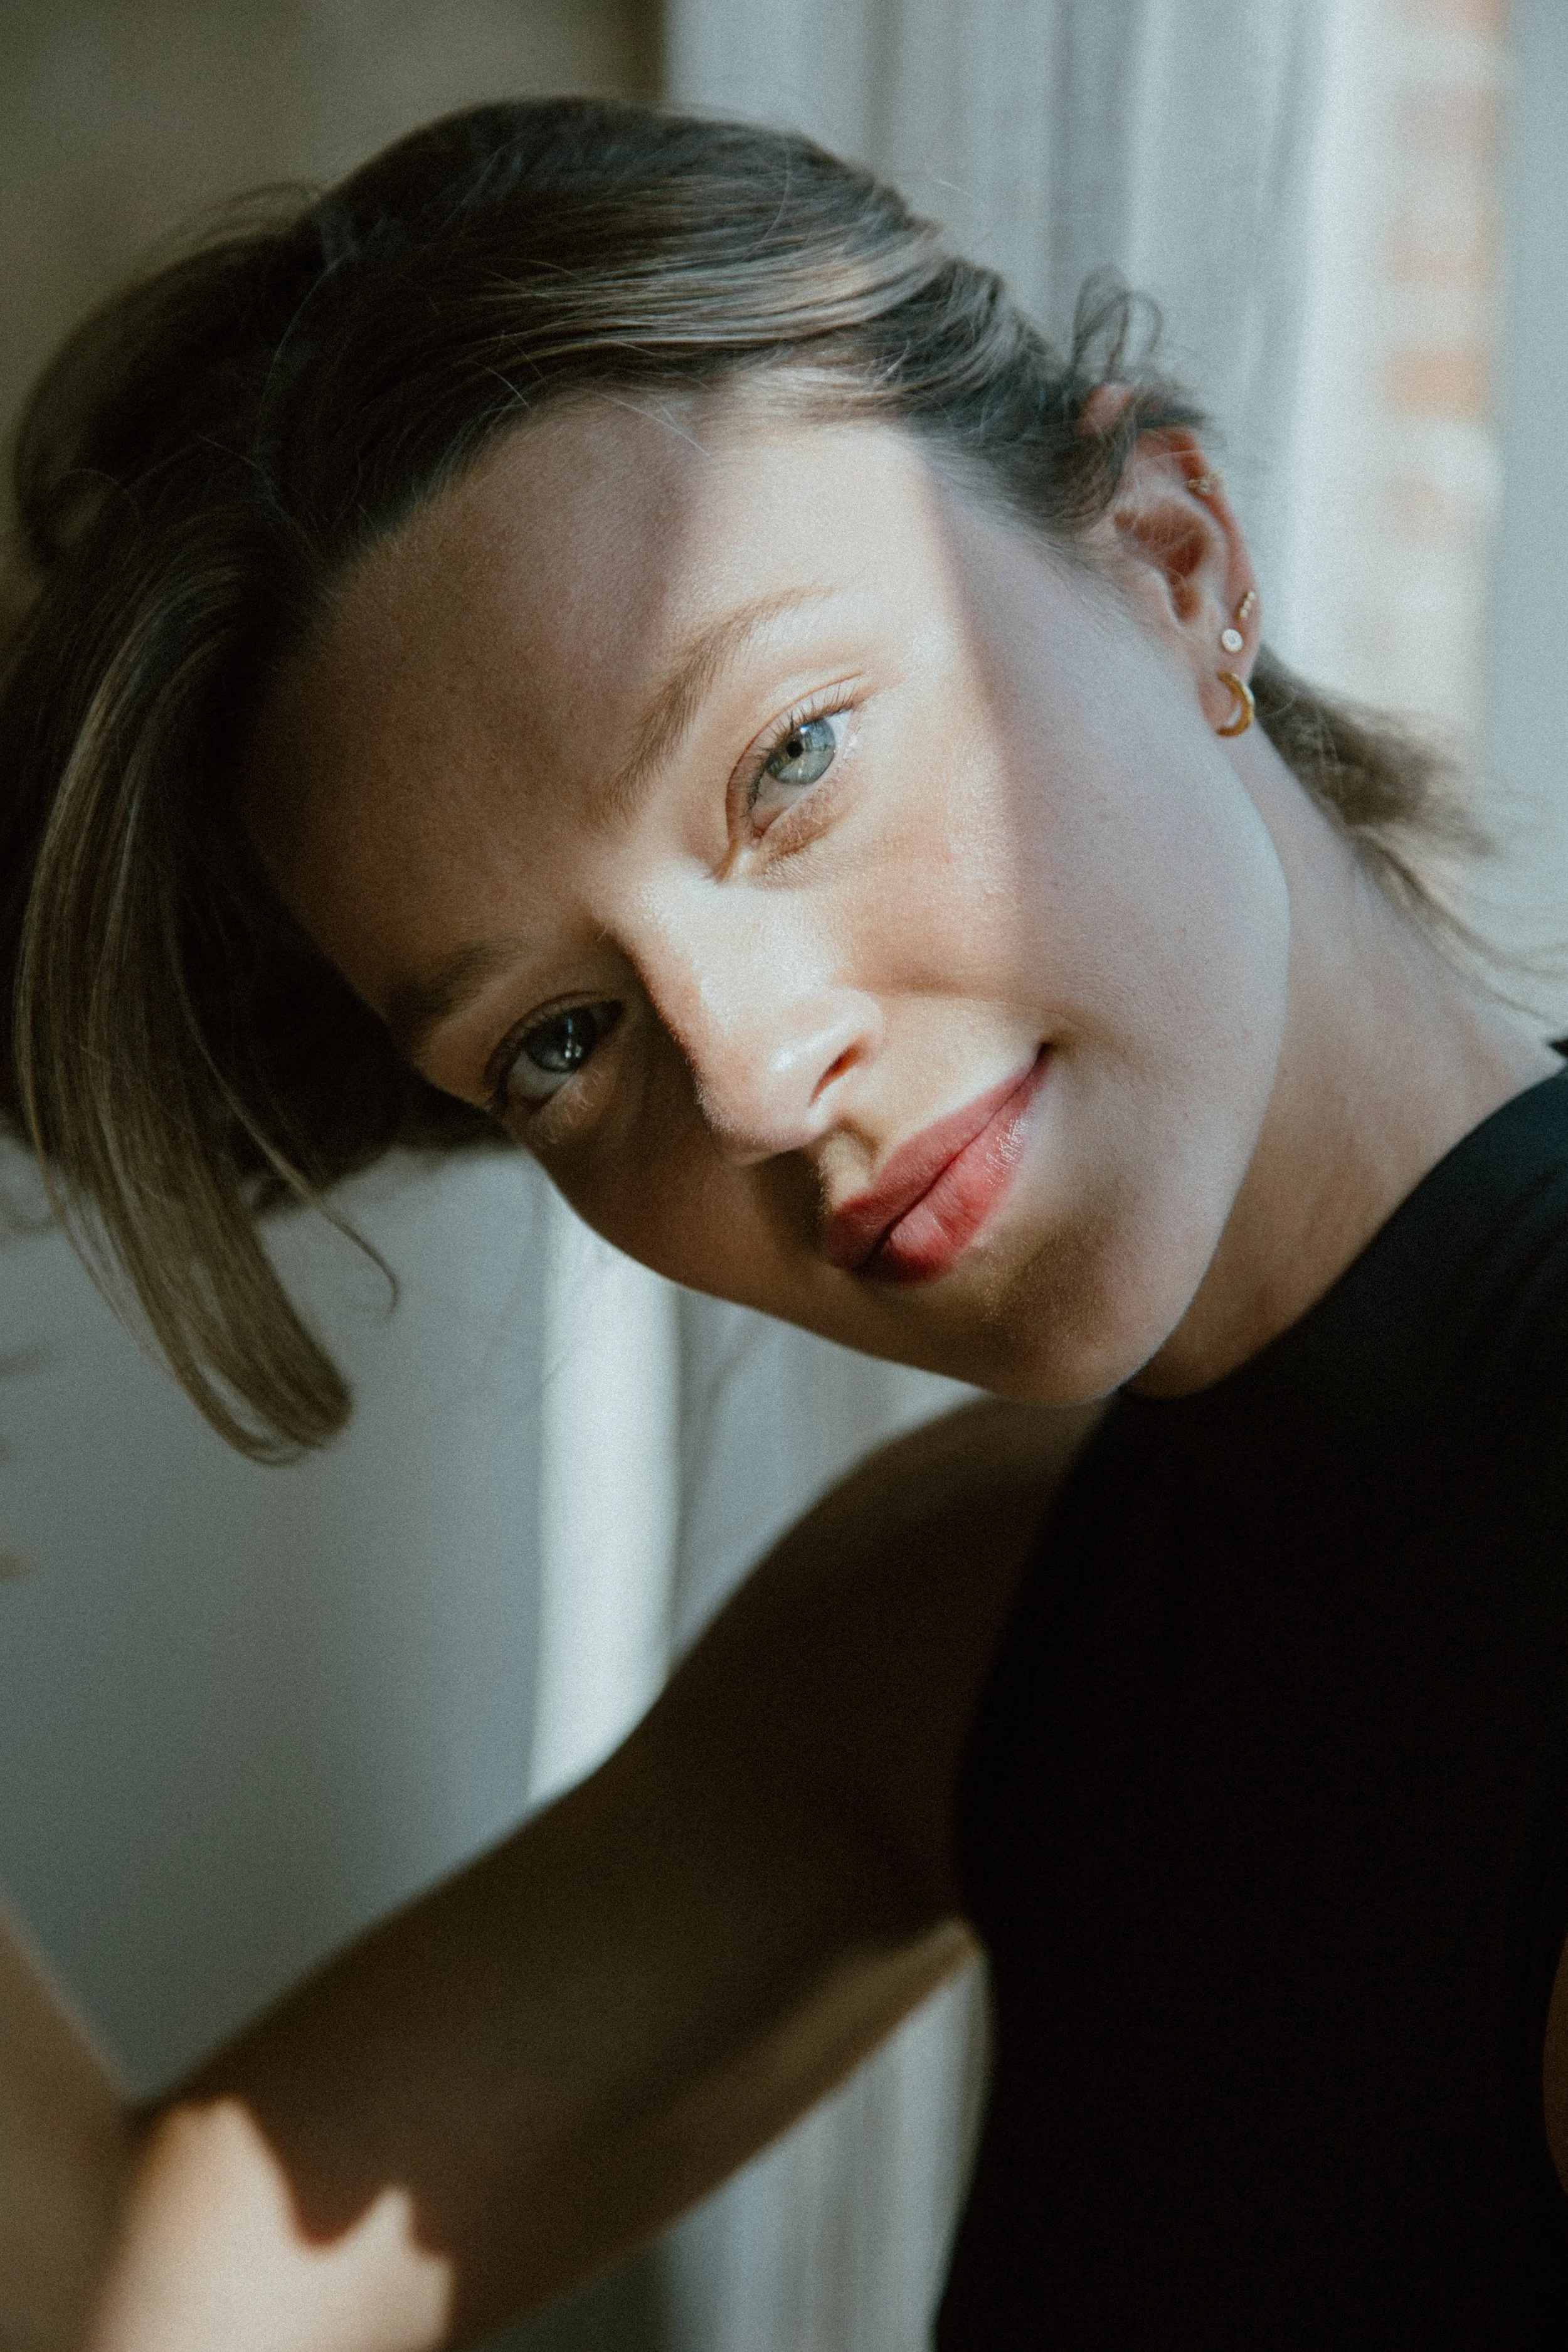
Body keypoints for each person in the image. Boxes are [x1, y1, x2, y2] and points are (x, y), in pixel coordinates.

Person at [3, 91, 1567, 2350]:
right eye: (554, 1040)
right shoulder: (976, 1613)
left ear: (1171, 558)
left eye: (789, 757)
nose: (740, 1075)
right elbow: (126, 2302)